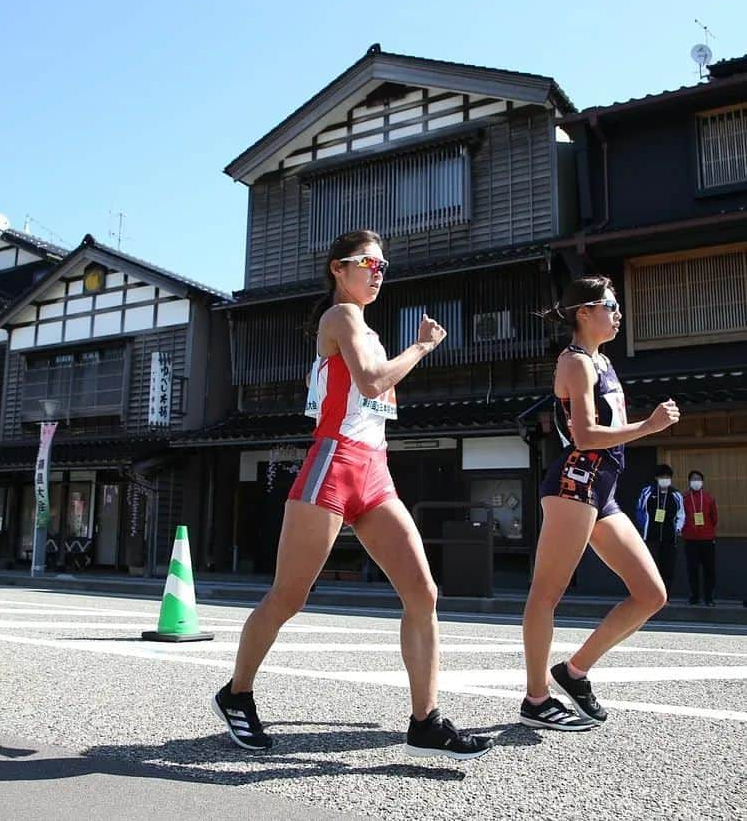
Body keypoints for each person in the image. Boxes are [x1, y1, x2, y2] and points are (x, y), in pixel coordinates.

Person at [212, 230, 493, 760]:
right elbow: (368, 382)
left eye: (384, 265)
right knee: (288, 596)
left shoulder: (367, 329)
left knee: (423, 592)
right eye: (368, 262)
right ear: (338, 269)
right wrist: (423, 346)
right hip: (332, 463)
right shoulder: (339, 318)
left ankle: (425, 721)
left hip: (375, 470)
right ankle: (236, 693)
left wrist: (407, 351)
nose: (378, 271)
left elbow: (372, 396)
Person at [521, 276, 679, 731]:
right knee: (545, 595)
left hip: (602, 488)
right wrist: (647, 427)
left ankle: (573, 671)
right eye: (610, 305)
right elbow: (586, 435)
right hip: (577, 482)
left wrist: (640, 427)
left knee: (651, 594)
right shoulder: (575, 363)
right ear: (584, 313)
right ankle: (535, 700)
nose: (618, 313)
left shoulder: (601, 360)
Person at [636, 465, 685, 598]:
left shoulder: (676, 495)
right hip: (651, 536)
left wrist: (678, 528)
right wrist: (644, 525)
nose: (665, 479)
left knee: (668, 568)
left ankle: (665, 596)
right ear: (657, 478)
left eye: (667, 477)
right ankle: (648, 596)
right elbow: (640, 510)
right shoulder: (647, 492)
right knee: (650, 567)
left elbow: (681, 514)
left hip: (669, 538)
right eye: (662, 477)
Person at [680, 469, 718, 606]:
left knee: (709, 569)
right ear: (690, 482)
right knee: (692, 570)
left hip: (707, 539)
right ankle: (694, 596)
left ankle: (709, 598)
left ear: (702, 482)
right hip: (690, 540)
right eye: (693, 479)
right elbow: (681, 517)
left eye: (698, 479)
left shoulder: (709, 498)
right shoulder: (684, 498)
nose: (696, 481)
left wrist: (708, 531)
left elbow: (714, 518)